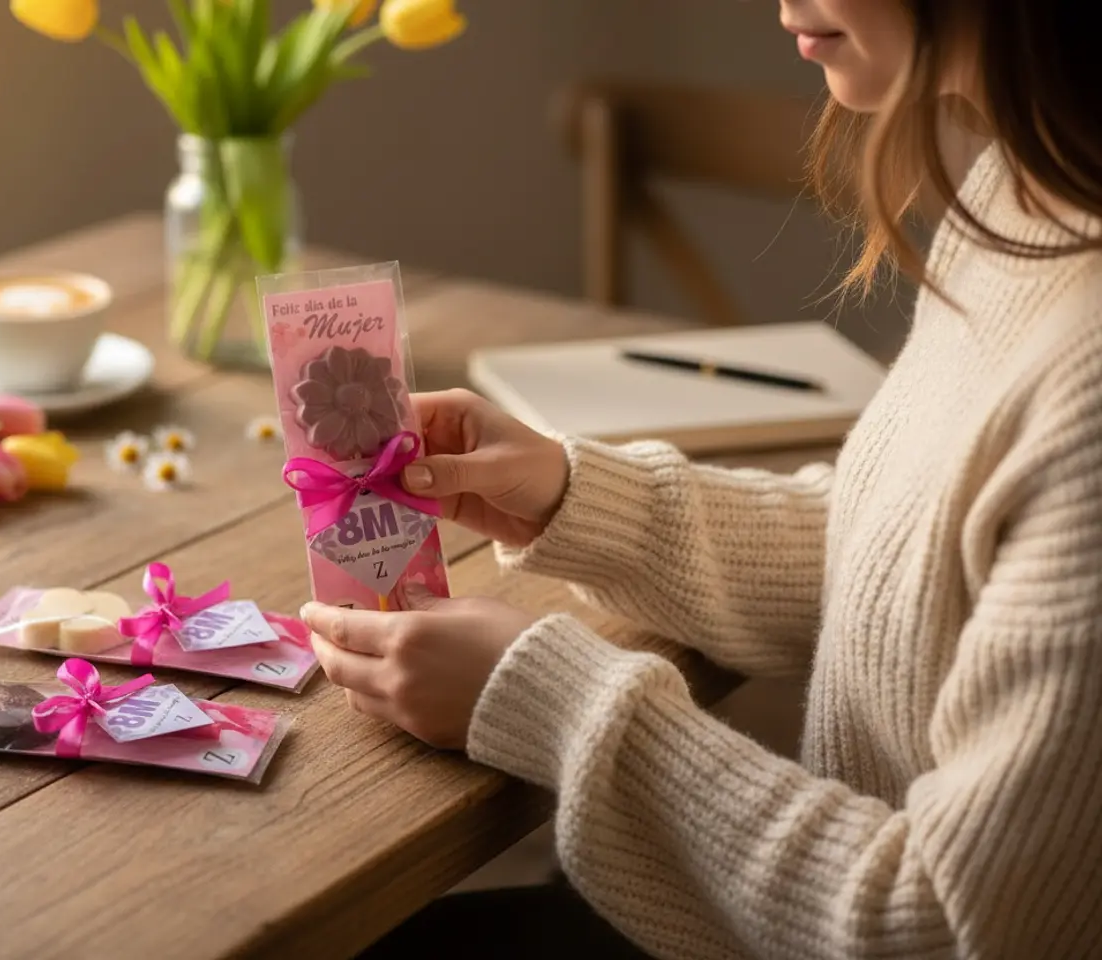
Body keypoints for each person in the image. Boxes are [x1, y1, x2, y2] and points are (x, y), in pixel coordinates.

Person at [300, 1, 1102, 957]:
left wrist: (546, 700)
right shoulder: (1034, 185)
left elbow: (942, 930)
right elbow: (918, 566)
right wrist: (575, 497)